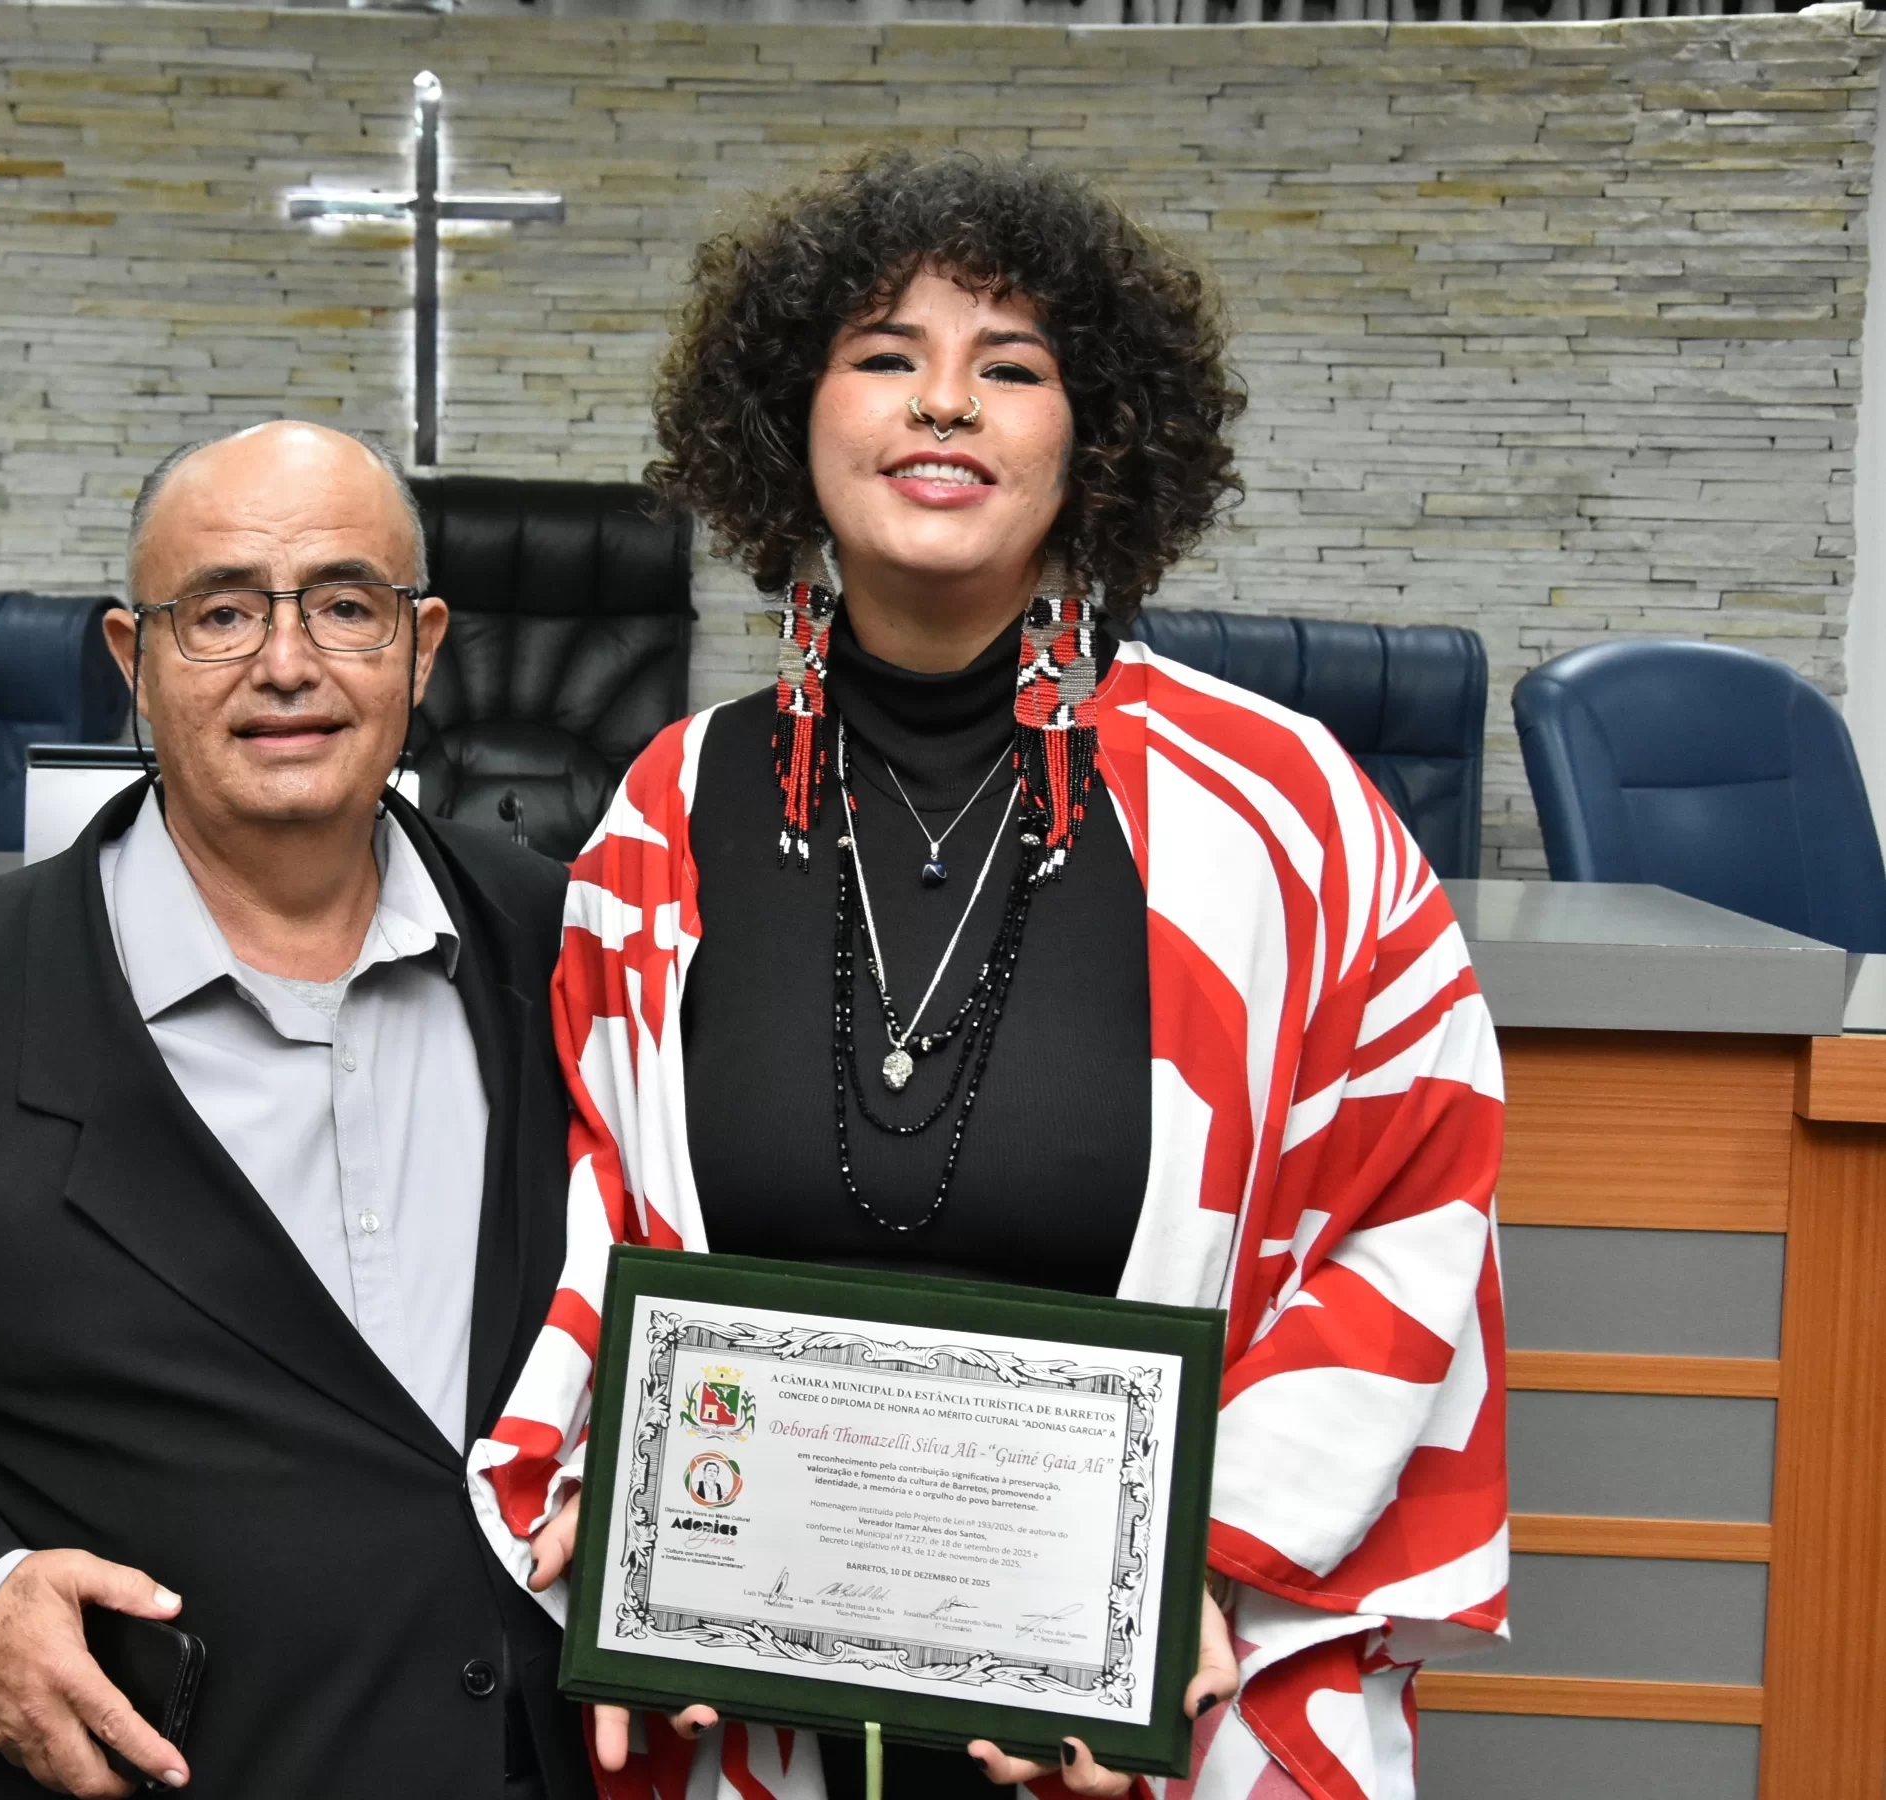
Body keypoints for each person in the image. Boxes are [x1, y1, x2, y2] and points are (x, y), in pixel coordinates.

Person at [466, 155, 1508, 1800]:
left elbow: (1414, 1205)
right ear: (788, 419)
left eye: (1008, 367)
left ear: (1095, 441)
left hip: (1143, 1705)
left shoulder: (1280, 814)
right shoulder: (666, 814)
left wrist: (1197, 1565)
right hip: (753, 1713)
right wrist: (621, 1476)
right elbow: (600, 1198)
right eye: (884, 355)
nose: (942, 402)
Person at [0, 422, 590, 1800]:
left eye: (344, 605)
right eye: (221, 613)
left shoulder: (577, 953)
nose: (286, 664)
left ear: (421, 646)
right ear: (132, 660)